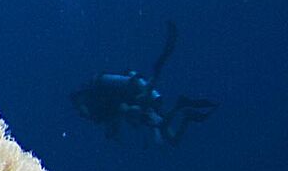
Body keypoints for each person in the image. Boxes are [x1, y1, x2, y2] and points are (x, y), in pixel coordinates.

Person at [71, 21, 215, 144]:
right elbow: (118, 118)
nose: (81, 114)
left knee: (156, 116)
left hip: (136, 97)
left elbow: (122, 106)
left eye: (79, 108)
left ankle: (165, 70)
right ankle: (185, 112)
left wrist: (134, 115)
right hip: (137, 100)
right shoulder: (99, 110)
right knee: (172, 140)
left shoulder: (100, 100)